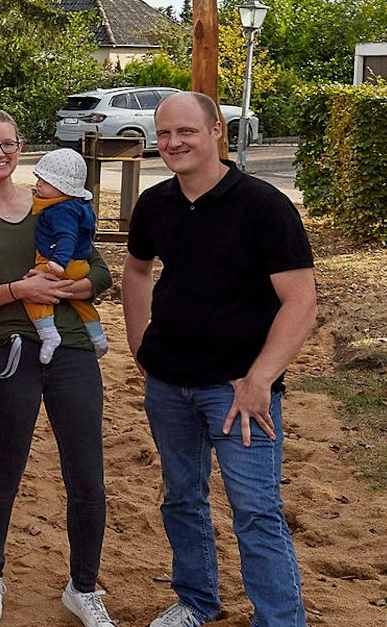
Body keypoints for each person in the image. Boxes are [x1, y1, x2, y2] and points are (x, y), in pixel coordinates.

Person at [124, 91, 316, 627]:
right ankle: (196, 601)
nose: (172, 143)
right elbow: (136, 272)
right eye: (163, 134)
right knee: (181, 499)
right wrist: (142, 350)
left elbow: (301, 302)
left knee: (256, 512)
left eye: (185, 131)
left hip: (238, 391)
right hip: (169, 385)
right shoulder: (155, 204)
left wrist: (260, 379)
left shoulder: (262, 206)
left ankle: (279, 620)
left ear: (216, 134)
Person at [0, 109, 116, 626]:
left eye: (8, 144)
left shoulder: (52, 202)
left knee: (87, 474)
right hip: (7, 351)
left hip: (70, 349)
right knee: (4, 469)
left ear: (20, 147)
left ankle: (84, 587)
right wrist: (19, 291)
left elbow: (102, 267)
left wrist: (82, 286)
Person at [25, 146, 109, 363]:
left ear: (62, 187)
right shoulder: (78, 206)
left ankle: (49, 335)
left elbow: (67, 237)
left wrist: (58, 262)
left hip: (63, 263)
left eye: (44, 181)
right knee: (82, 305)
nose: (38, 185)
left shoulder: (61, 210)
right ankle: (98, 338)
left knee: (33, 289)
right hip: (79, 266)